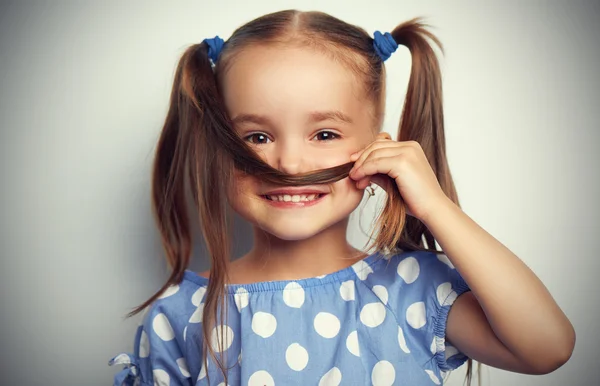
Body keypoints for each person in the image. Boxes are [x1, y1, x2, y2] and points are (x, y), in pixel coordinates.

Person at [108, 9, 575, 386]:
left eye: (325, 133)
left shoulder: (411, 288)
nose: (288, 163)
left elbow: (547, 349)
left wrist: (434, 206)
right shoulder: (180, 314)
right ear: (217, 149)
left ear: (379, 148)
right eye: (256, 137)